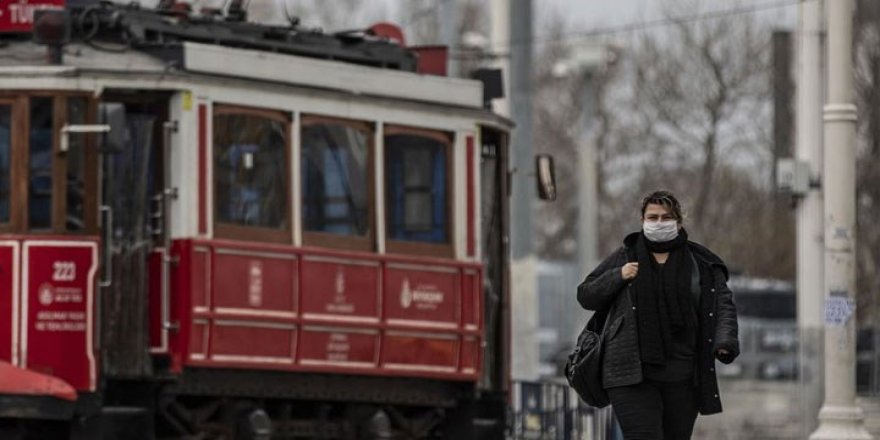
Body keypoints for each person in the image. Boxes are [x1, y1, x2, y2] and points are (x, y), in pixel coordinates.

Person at [577, 190, 739, 440]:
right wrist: (618, 276)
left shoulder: (701, 263)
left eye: (666, 217)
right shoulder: (625, 256)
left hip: (684, 374)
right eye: (653, 217)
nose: (659, 222)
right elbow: (586, 295)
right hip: (630, 372)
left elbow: (723, 305)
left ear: (679, 222)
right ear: (642, 221)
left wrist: (725, 341)